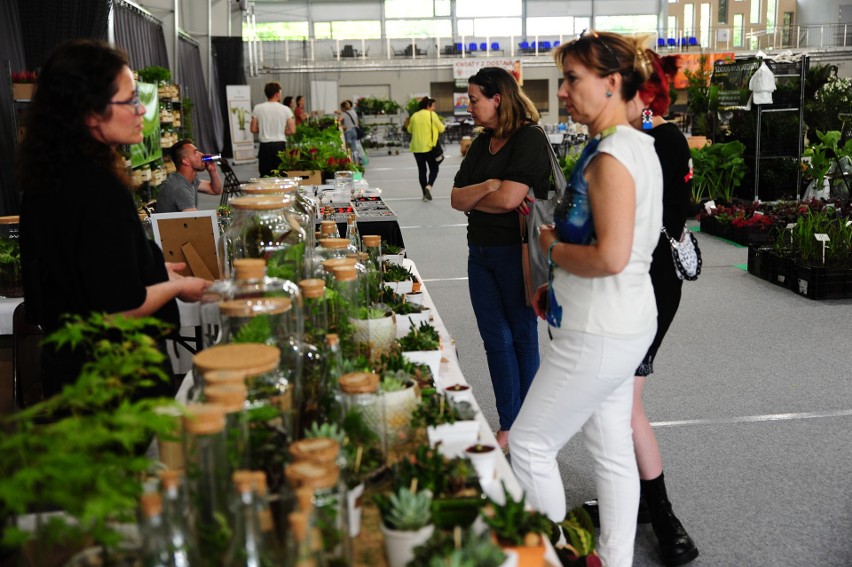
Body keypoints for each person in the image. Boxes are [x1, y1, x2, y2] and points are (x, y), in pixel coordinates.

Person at [508, 32, 662, 567]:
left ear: (612, 83)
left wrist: (551, 250)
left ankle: (559, 555)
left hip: (599, 330)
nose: (564, 92)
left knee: (528, 445)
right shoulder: (635, 144)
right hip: (622, 319)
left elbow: (611, 255)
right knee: (612, 446)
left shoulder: (612, 157)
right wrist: (560, 284)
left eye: (572, 80)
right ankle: (613, 558)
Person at [18, 39, 209, 398]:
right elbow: (120, 309)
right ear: (90, 113)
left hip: (72, 377)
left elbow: (80, 279)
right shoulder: (97, 187)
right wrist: (178, 287)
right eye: (131, 100)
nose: (141, 111)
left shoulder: (45, 178)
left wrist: (153, 270)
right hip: (115, 381)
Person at [581, 51, 699, 566]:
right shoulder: (634, 138)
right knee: (615, 403)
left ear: (637, 91)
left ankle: (664, 518)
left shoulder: (654, 140)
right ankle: (635, 500)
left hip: (646, 288)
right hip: (630, 284)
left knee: (626, 407)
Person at [449, 67, 551, 452]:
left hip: (518, 250)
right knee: (495, 339)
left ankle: (527, 423)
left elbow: (511, 200)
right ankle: (511, 420)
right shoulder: (481, 143)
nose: (469, 106)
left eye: (474, 99)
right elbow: (457, 199)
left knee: (522, 336)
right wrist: (492, 185)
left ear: (498, 99)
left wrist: (484, 194)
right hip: (480, 254)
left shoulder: (529, 138)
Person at [157, 138, 223, 213]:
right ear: (186, 161)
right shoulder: (180, 188)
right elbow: (194, 221)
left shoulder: (188, 179)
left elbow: (216, 190)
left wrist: (213, 171)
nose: (201, 155)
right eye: (195, 152)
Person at [250, 81, 295, 177]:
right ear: (277, 94)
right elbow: (292, 130)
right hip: (279, 146)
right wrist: (279, 130)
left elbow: (253, 129)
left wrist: (264, 128)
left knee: (265, 175)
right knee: (281, 174)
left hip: (264, 147)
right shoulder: (285, 109)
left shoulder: (258, 108)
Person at [407, 96, 445, 201]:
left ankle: (424, 194)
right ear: (428, 105)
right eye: (433, 105)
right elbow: (442, 128)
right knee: (434, 168)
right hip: (429, 147)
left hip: (416, 148)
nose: (434, 108)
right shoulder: (432, 115)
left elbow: (409, 130)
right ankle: (429, 186)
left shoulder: (414, 116)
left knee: (422, 171)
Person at [337, 100, 363, 165]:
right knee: (354, 147)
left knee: (348, 148)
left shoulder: (344, 114)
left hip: (348, 132)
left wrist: (341, 125)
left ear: (343, 108)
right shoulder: (353, 112)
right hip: (354, 131)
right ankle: (356, 161)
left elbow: (338, 120)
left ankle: (350, 161)